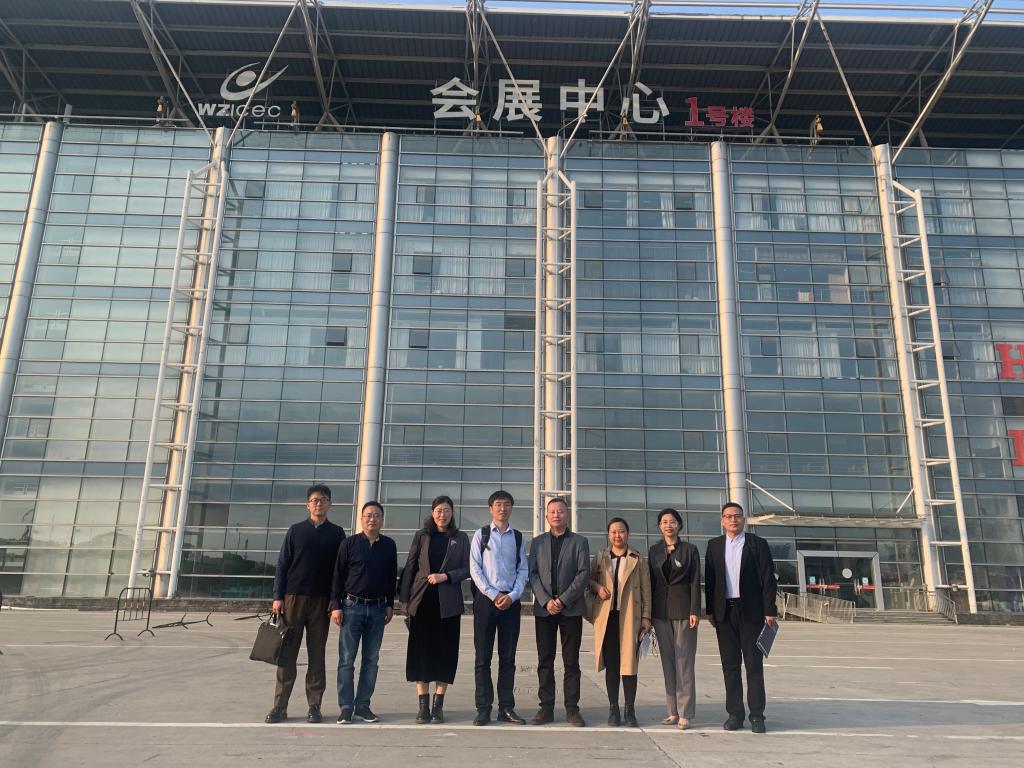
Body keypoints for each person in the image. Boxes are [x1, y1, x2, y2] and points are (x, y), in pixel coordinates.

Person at [265, 484, 346, 724]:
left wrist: (336, 600)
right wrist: (277, 597)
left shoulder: (337, 534)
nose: (319, 503)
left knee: (317, 654)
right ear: (307, 504)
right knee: (287, 654)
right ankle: (280, 706)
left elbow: (340, 571)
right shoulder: (295, 531)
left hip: (322, 602)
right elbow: (282, 565)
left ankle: (314, 706)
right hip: (293, 599)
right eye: (314, 500)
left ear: (330, 504)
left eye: (323, 500)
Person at [704, 502, 778, 734]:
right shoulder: (714, 545)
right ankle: (735, 714)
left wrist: (770, 609)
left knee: (754, 665)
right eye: (728, 516)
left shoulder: (757, 544)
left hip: (752, 613)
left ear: (743, 519)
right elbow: (710, 580)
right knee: (730, 666)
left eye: (737, 516)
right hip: (724, 613)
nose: (733, 520)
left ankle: (757, 716)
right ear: (722, 521)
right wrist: (710, 610)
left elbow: (768, 578)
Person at [398, 495, 470, 725]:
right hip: (422, 602)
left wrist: (445, 576)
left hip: (448, 605)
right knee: (421, 653)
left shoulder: (460, 538)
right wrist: (404, 599)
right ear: (432, 513)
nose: (442, 514)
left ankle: (438, 706)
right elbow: (410, 567)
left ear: (452, 513)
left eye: (447, 510)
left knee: (445, 654)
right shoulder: (422, 536)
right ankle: (423, 706)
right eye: (439, 510)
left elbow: (467, 569)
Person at [330, 500, 397, 725]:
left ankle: (363, 706)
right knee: (347, 660)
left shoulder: (389, 545)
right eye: (368, 515)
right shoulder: (348, 544)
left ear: (382, 520)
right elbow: (337, 575)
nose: (372, 519)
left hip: (378, 609)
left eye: (376, 515)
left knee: (371, 660)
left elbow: (391, 577)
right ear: (361, 519)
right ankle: (346, 707)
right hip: (351, 607)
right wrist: (335, 605)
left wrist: (390, 604)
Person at [528, 496, 590, 727]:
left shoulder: (579, 542)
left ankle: (572, 709)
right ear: (546, 516)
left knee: (571, 661)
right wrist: (546, 601)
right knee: (545, 660)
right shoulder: (537, 543)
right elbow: (532, 573)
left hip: (570, 609)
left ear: (567, 514)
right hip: (544, 611)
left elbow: (583, 574)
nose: (556, 515)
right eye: (552, 511)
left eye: (561, 511)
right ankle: (546, 708)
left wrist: (563, 600)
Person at [469, 489, 529, 726]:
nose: (502, 508)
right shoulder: (481, 534)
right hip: (486, 602)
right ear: (490, 508)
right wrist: (493, 594)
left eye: (506, 504)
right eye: (498, 504)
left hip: (511, 604)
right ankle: (483, 708)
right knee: (482, 658)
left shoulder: (518, 537)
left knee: (508, 658)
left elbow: (523, 570)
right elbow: (475, 568)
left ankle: (506, 708)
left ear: (511, 508)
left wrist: (513, 596)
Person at [589, 517, 652, 728]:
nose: (618, 535)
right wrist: (598, 587)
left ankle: (629, 710)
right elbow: (588, 580)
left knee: (629, 666)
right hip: (608, 619)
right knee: (612, 666)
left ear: (628, 534)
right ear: (608, 535)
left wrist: (646, 617)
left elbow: (646, 591)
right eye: (614, 532)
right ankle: (613, 708)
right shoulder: (601, 557)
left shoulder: (638, 559)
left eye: (622, 531)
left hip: (630, 618)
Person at [648, 508, 701, 730]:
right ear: (659, 526)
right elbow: (650, 583)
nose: (668, 525)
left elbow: (695, 581)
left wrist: (695, 610)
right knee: (668, 662)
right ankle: (672, 711)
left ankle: (685, 712)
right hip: (660, 612)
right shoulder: (654, 551)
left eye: (672, 522)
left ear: (679, 525)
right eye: (664, 522)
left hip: (683, 611)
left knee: (684, 662)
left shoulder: (690, 550)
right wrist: (648, 614)